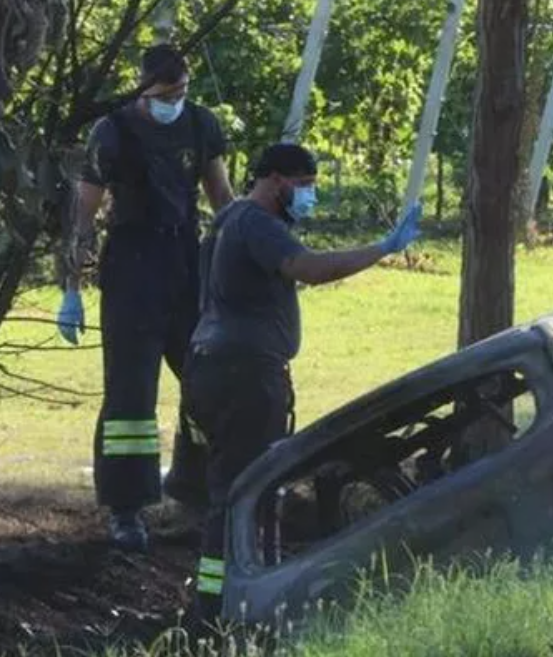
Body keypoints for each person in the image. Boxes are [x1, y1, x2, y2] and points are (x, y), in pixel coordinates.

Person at [185, 143, 421, 622]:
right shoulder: (258, 225)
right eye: (305, 185)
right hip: (245, 377)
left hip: (214, 368)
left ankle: (218, 601)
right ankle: (230, 609)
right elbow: (310, 269)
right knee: (251, 493)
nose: (309, 196)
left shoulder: (228, 218)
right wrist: (382, 248)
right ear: (275, 181)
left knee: (232, 492)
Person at [57, 44, 234, 551]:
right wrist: (72, 287)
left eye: (180, 92)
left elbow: (222, 198)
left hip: (186, 261)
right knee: (131, 395)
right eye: (164, 95)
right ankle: (126, 509)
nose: (173, 101)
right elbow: (83, 216)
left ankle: (196, 491)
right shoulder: (111, 132)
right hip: (132, 267)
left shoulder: (201, 125)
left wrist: (250, 245)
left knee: (206, 379)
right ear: (142, 89)